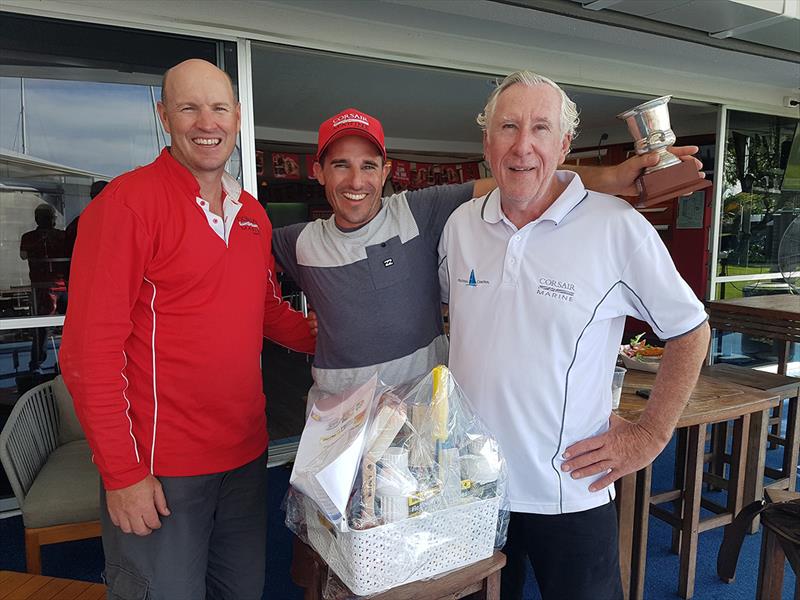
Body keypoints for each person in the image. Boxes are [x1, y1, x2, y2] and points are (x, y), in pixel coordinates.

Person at [438, 71, 710, 600]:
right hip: (472, 489)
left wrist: (650, 435)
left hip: (569, 489)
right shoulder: (460, 226)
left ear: (563, 144)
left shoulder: (615, 226)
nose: (523, 146)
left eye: (541, 128)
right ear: (486, 142)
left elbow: (691, 330)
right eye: (508, 127)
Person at [60, 59, 316, 600]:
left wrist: (344, 336)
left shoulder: (251, 214)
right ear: (164, 117)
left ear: (237, 117)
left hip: (245, 456)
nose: (207, 121)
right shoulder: (127, 205)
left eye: (219, 107)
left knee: (241, 591)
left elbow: (267, 310)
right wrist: (122, 474)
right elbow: (88, 354)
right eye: (189, 107)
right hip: (160, 468)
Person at [272, 107, 701, 409]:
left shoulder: (419, 211)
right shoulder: (297, 242)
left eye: (368, 166)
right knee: (323, 536)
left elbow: (513, 178)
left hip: (419, 420)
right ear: (318, 171)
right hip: (335, 421)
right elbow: (232, 276)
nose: (355, 180)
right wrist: (298, 328)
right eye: (341, 165)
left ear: (386, 172)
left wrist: (610, 178)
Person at [20, 203, 67, 372]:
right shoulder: (61, 236)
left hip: (42, 286)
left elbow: (23, 255)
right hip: (60, 286)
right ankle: (62, 363)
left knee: (42, 328)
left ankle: (37, 364)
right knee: (66, 327)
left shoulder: (29, 237)